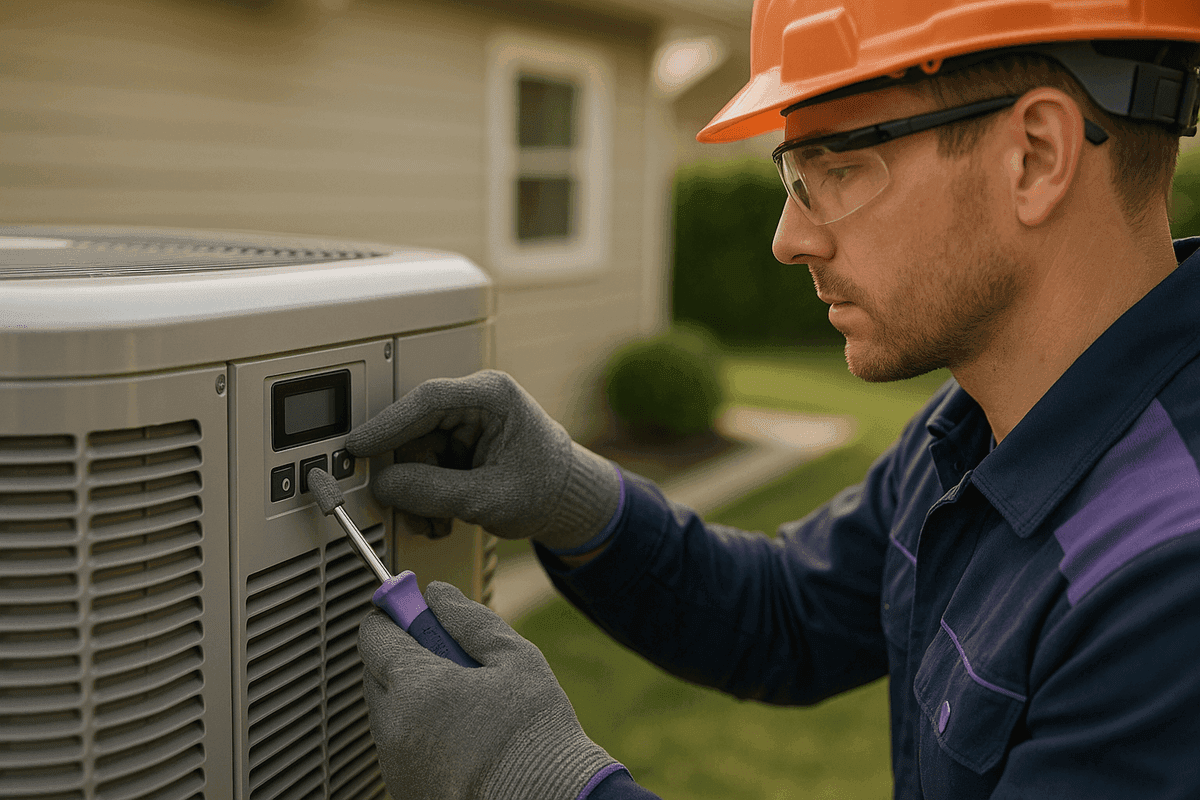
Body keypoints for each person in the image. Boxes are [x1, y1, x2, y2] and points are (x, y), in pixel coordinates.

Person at [347, 3, 1200, 798]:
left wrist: (529, 774)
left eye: (838, 164)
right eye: (796, 171)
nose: (788, 239)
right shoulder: (975, 428)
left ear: (1036, 156)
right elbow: (789, 612)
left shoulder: (1167, 586)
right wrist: (572, 495)